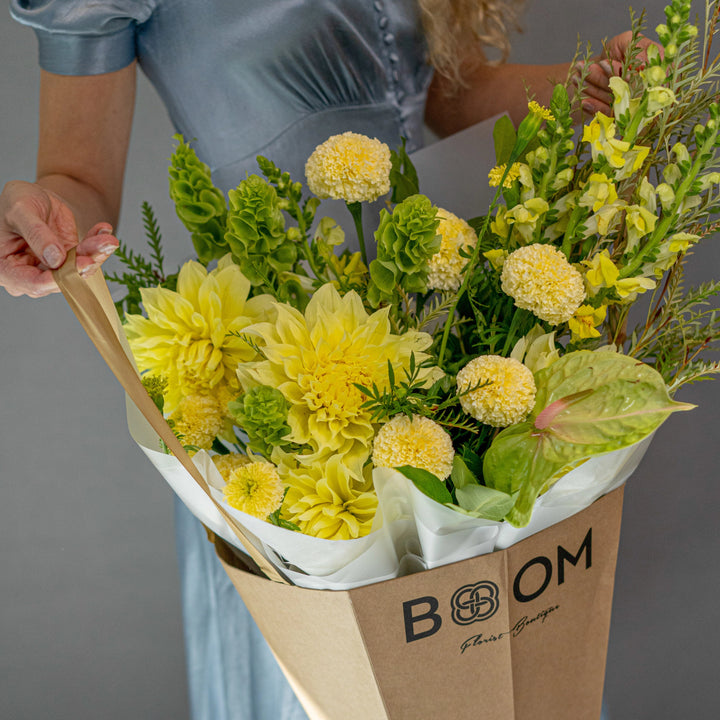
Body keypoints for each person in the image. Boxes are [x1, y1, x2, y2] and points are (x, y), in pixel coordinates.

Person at [1, 1, 639, 718]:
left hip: (442, 349)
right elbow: (76, 174)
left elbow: (435, 91)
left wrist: (590, 84)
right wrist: (45, 217)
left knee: (495, 672)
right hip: (279, 406)